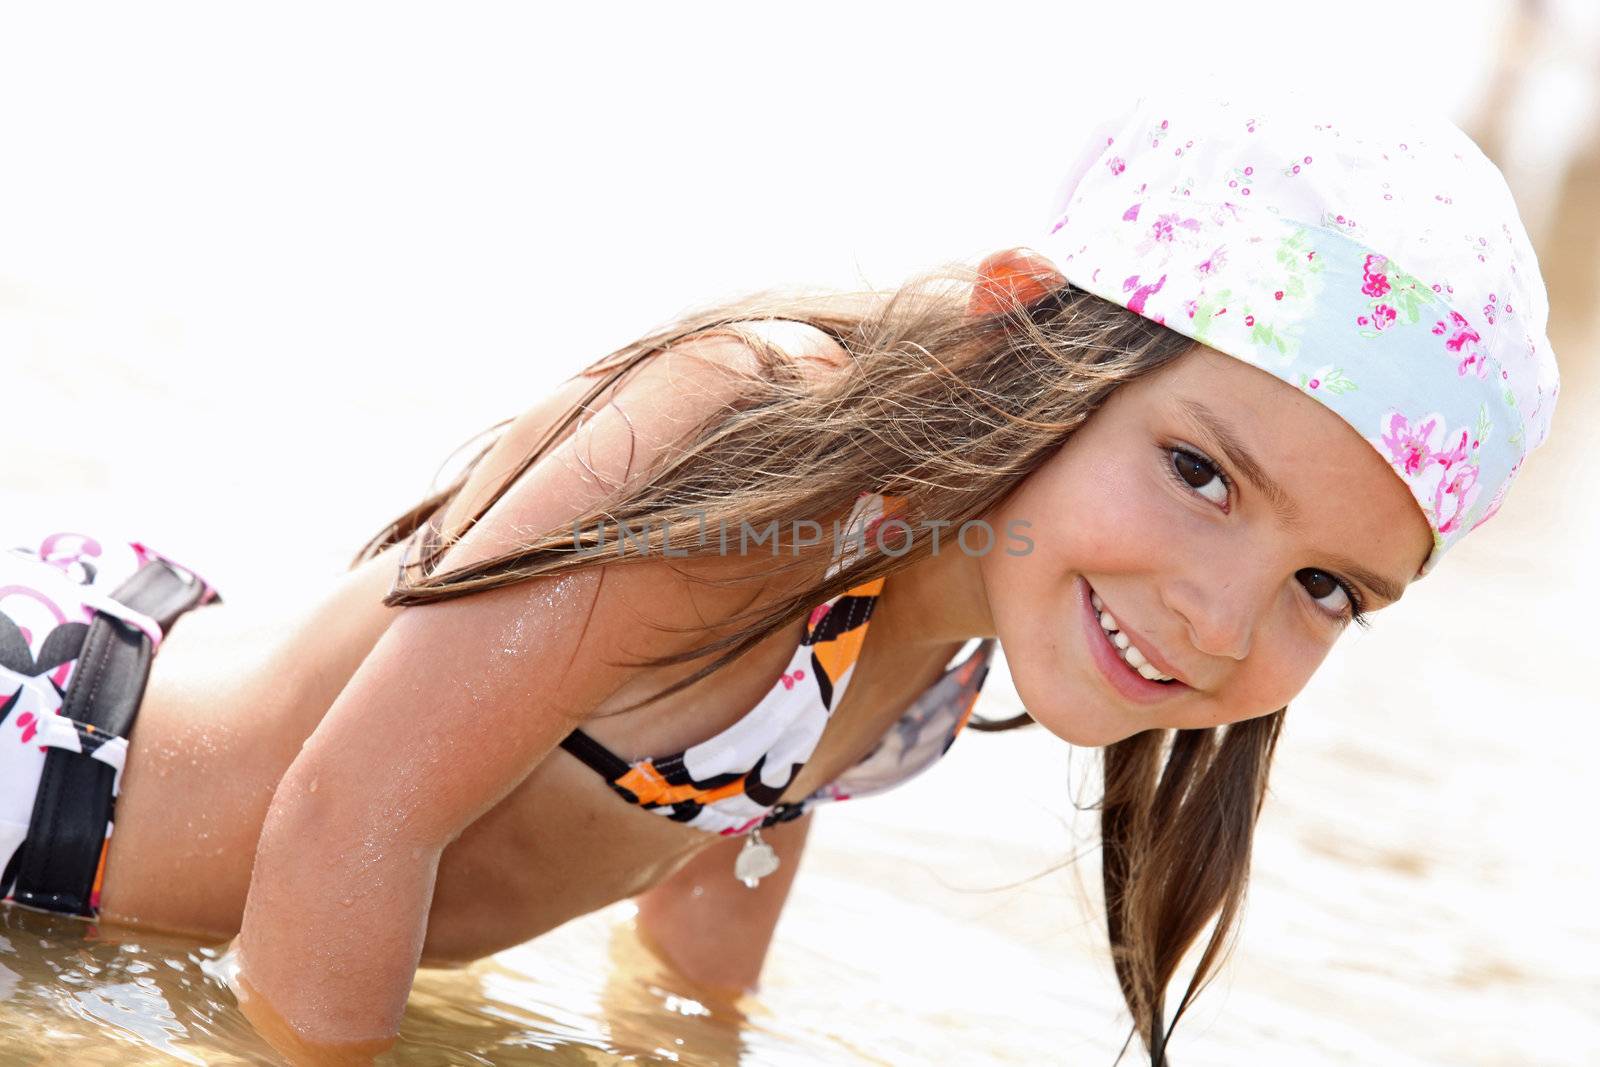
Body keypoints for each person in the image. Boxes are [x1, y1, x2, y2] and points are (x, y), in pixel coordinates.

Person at [0, 91, 1561, 1066]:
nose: (1224, 620)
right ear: (1035, 335)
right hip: (51, 804)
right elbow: (350, 819)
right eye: (1202, 474)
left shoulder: (944, 628)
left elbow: (707, 902)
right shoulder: (765, 448)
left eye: (1327, 589)